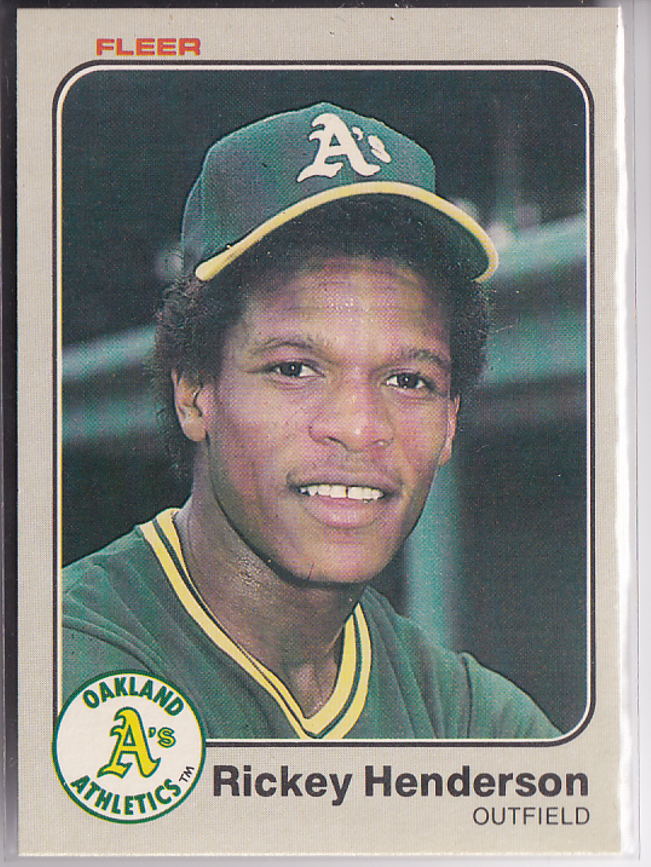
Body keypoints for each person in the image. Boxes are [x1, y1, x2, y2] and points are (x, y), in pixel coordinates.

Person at [62, 103, 560, 739]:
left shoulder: (466, 715)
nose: (358, 427)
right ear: (194, 392)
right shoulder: (60, 668)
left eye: (409, 380)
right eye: (295, 369)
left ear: (450, 420)